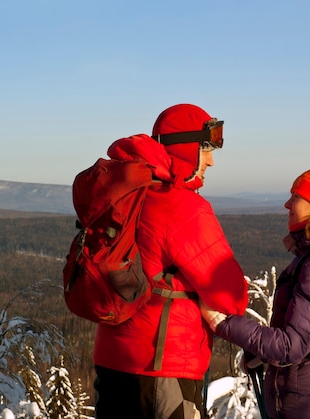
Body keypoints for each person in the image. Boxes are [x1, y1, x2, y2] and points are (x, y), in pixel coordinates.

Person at [93, 103, 249, 418]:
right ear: (186, 148)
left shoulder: (128, 193)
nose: (211, 161)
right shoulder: (182, 207)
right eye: (206, 149)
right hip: (161, 366)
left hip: (112, 359)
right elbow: (230, 295)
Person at [201, 164, 310, 419]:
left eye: (296, 197)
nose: (287, 204)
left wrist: (224, 324)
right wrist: (264, 354)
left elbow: (292, 346)